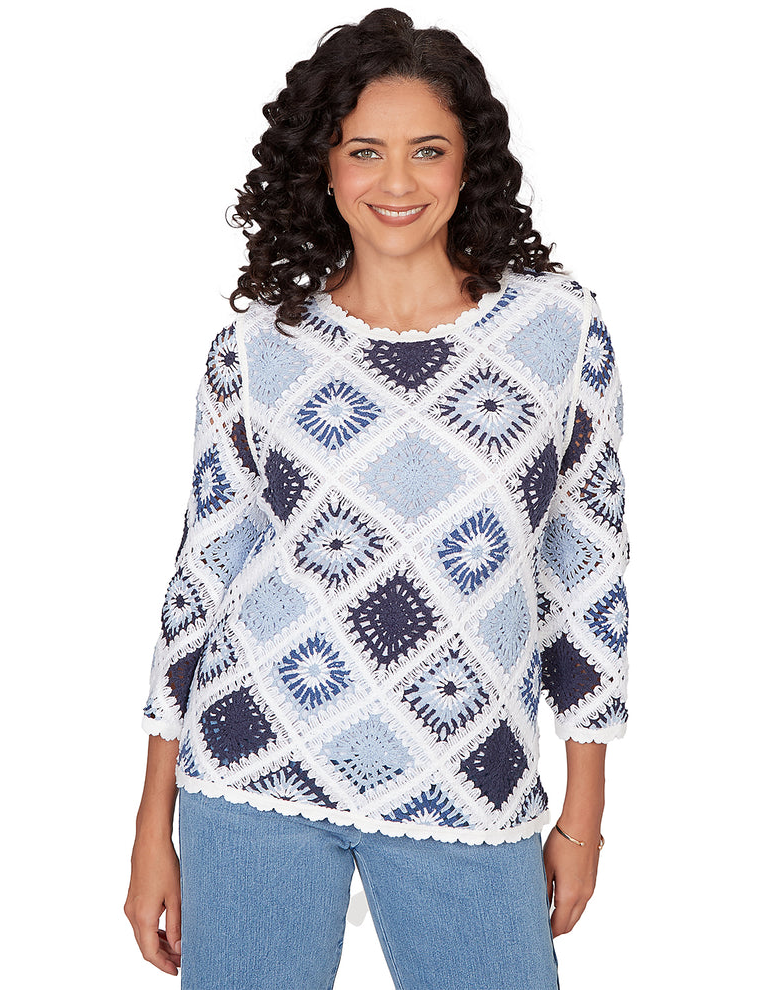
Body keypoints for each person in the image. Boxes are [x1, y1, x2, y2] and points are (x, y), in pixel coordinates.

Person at [124, 8, 630, 989]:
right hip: (252, 771)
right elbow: (201, 581)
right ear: (323, 164)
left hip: (470, 778)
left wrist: (584, 812)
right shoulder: (256, 349)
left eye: (426, 150)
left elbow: (587, 573)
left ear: (468, 165)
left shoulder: (558, 335)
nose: (396, 183)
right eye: (365, 151)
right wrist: (153, 827)